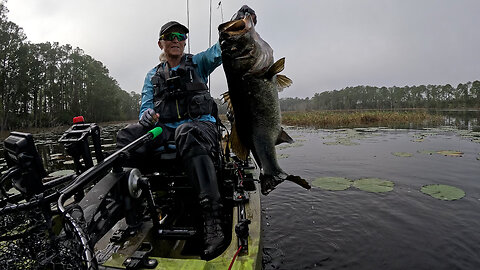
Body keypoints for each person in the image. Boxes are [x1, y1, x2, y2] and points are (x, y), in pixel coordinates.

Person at [117, 5, 256, 259]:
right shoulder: (152, 76)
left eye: (181, 37)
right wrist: (147, 117)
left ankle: (212, 221)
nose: (176, 41)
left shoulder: (198, 62)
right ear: (161, 43)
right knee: (126, 137)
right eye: (171, 37)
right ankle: (133, 210)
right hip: (165, 131)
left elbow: (220, 50)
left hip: (200, 129)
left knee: (186, 131)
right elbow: (145, 109)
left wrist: (239, 24)